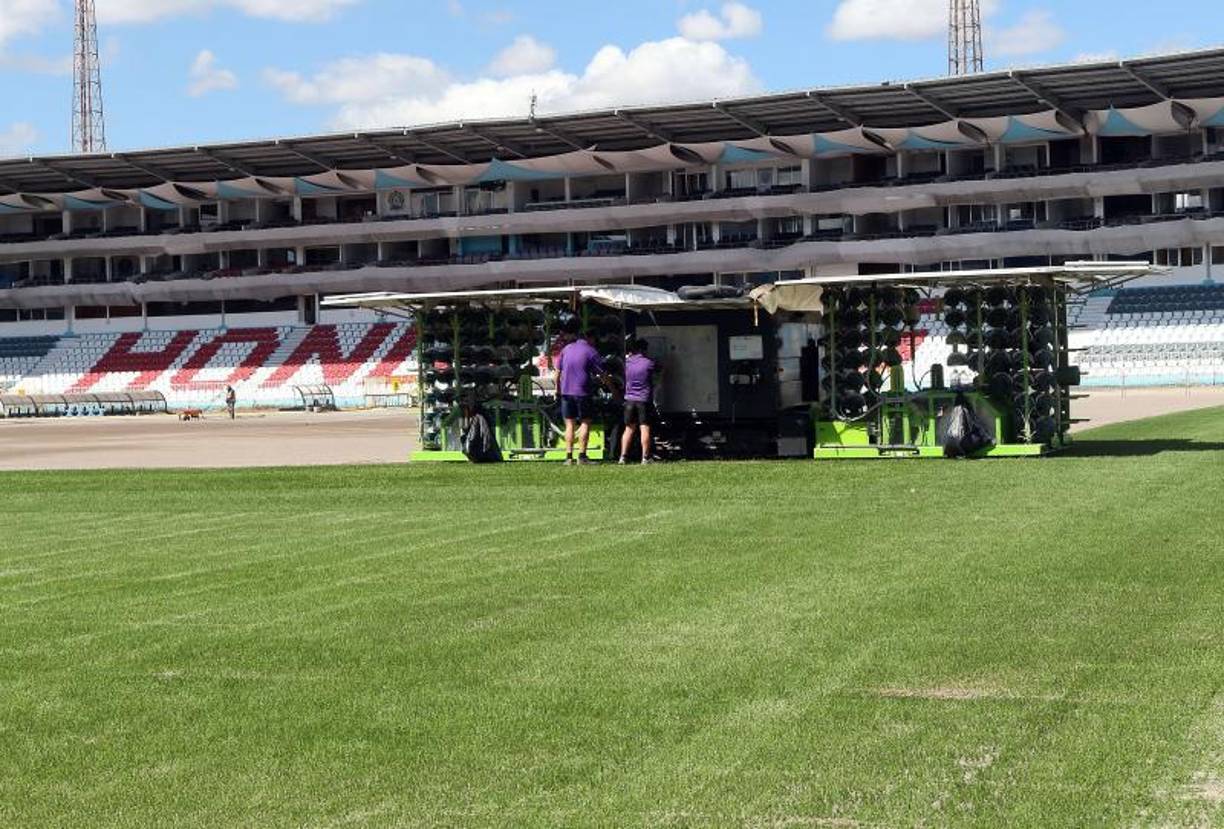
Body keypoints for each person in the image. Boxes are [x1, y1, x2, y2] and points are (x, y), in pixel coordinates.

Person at [555, 326, 604, 465]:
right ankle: (582, 456)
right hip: (583, 392)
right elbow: (602, 374)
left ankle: (568, 457)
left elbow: (557, 373)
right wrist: (613, 388)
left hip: (566, 392)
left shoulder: (566, 349)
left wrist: (557, 390)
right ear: (590, 338)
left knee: (569, 424)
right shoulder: (591, 351)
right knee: (585, 422)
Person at [620, 338, 658, 465]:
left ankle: (623, 457)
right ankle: (645, 458)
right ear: (644, 349)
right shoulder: (649, 362)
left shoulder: (628, 362)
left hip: (629, 400)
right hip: (643, 400)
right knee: (644, 428)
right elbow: (660, 369)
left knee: (628, 429)